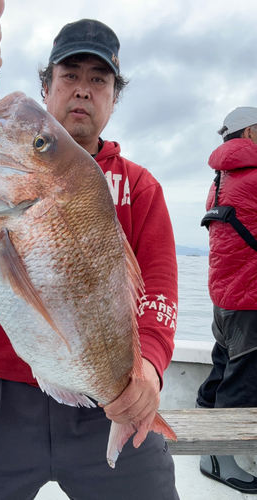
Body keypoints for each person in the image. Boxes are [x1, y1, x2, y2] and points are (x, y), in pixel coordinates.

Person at [0, 1, 179, 499]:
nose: (83, 88)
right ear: (47, 86)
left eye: (100, 79)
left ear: (113, 99)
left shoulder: (141, 187)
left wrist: (147, 369)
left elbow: (160, 289)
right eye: (70, 74)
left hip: (104, 396)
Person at [197, 107, 257, 494]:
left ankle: (203, 431)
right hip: (251, 300)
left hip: (225, 298)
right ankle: (219, 457)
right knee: (244, 383)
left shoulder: (220, 181)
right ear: (251, 133)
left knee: (223, 367)